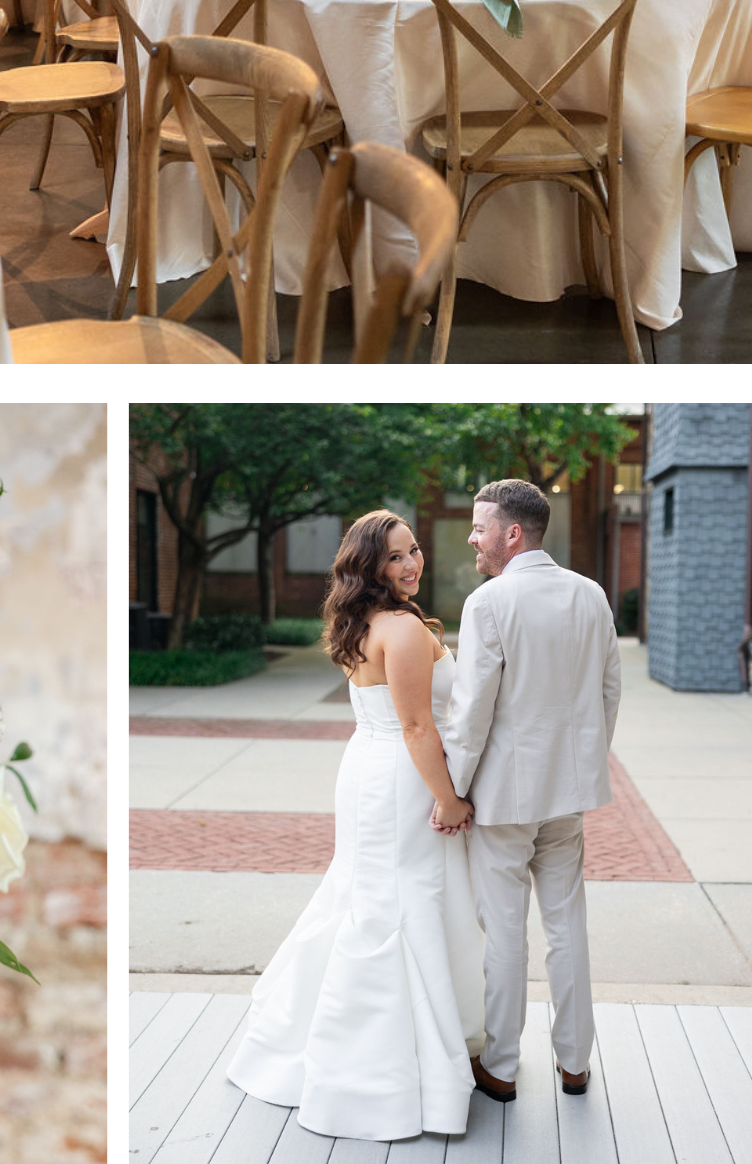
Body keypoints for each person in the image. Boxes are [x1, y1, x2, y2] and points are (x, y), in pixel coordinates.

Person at [225, 510, 484, 1142]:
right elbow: (419, 727)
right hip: (401, 773)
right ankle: (375, 1072)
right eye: (396, 557)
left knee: (369, 896)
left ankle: (341, 1044)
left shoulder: (364, 621)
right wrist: (448, 798)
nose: (412, 563)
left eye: (415, 550)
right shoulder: (400, 628)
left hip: (369, 765)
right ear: (370, 566)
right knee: (396, 905)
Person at [443, 477, 622, 1103]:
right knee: (568, 925)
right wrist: (582, 765)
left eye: (479, 526)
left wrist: (453, 793)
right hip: (567, 796)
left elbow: (472, 714)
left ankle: (502, 1066)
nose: (472, 537)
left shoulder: (488, 603)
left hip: (502, 800)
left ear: (511, 533)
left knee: (506, 935)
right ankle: (575, 1063)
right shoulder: (591, 595)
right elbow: (608, 693)